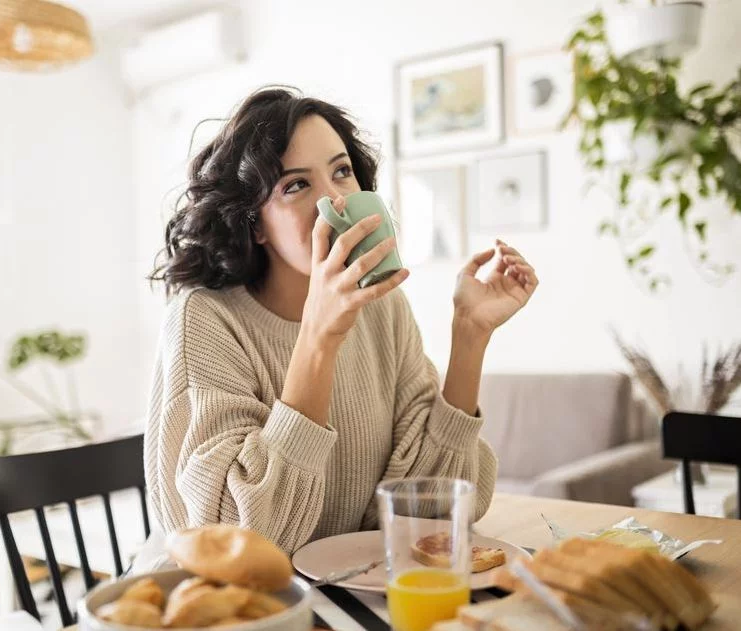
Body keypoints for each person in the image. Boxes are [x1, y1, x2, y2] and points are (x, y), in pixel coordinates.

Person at [144, 87, 538, 554]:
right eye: (296, 185)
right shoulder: (204, 321)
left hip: (352, 590)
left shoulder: (382, 307)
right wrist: (319, 337)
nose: (334, 202)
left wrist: (469, 336)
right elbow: (237, 543)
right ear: (254, 225)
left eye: (342, 172)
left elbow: (429, 513)